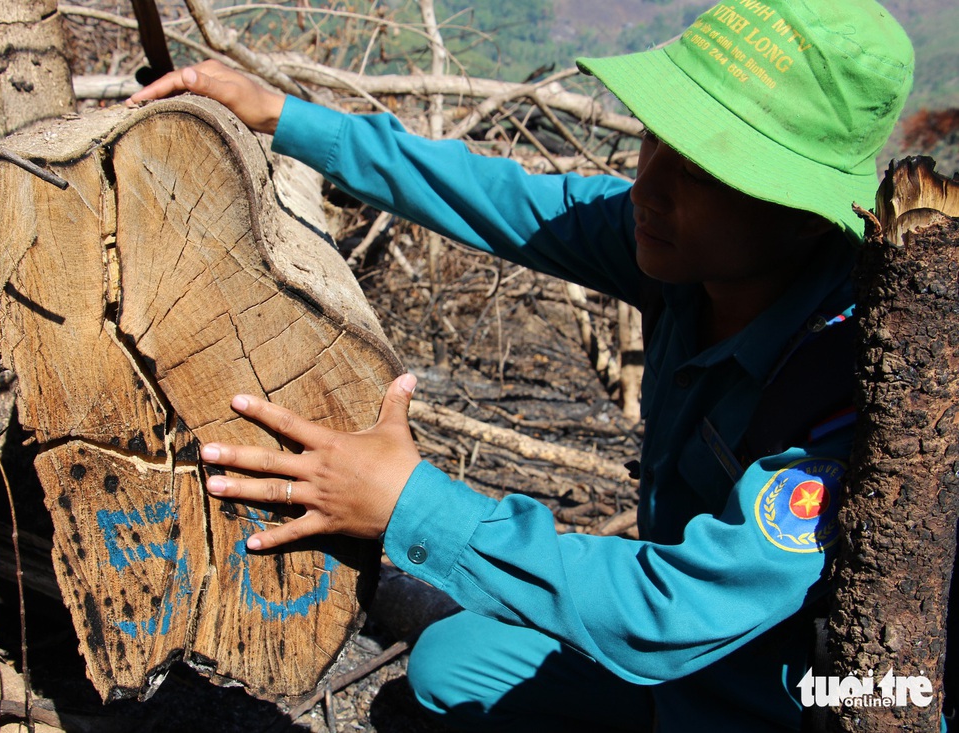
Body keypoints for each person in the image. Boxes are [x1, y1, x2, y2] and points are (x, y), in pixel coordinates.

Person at [130, 0, 916, 730]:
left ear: (807, 217)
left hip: (787, 703)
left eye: (701, 171)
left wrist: (409, 501)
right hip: (676, 677)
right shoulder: (698, 255)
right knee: (454, 663)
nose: (646, 185)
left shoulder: (853, 390)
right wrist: (287, 118)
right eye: (655, 140)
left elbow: (669, 611)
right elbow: (502, 198)